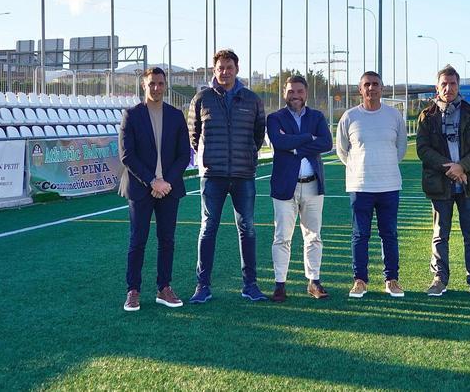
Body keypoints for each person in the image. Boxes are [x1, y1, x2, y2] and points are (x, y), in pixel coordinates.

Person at [188, 48, 269, 303]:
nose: (225, 72)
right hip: (213, 176)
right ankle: (203, 286)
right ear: (214, 70)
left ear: (237, 69)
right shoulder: (201, 99)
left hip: (244, 175)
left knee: (248, 229)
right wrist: (211, 159)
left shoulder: (252, 100)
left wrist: (246, 157)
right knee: (208, 228)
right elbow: (194, 135)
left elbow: (258, 135)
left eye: (229, 67)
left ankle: (250, 285)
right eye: (220, 68)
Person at [118, 67, 191, 312]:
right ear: (143, 86)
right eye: (152, 84)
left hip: (169, 188)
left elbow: (184, 154)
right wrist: (152, 181)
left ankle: (164, 288)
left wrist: (166, 181)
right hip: (141, 188)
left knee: (167, 240)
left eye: (160, 83)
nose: (156, 88)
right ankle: (133, 290)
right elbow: (127, 155)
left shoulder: (176, 115)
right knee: (138, 240)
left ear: (165, 85)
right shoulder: (131, 115)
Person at [416, 65, 470, 298]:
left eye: (453, 84)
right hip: (441, 184)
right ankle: (439, 278)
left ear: (458, 86)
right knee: (440, 234)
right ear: (437, 87)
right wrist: (451, 168)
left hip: (469, 183)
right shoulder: (427, 116)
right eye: (444, 84)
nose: (449, 88)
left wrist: (463, 166)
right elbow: (423, 150)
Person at [336, 71, 408, 299]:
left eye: (375, 84)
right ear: (360, 89)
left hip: (389, 185)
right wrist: (361, 167)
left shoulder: (394, 116)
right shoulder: (349, 117)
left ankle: (392, 280)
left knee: (389, 234)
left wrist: (383, 165)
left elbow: (401, 148)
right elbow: (342, 151)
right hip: (360, 186)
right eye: (367, 84)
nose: (371, 88)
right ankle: (360, 281)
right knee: (360, 235)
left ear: (382, 88)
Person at [266, 74, 333, 302]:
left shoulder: (316, 116)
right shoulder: (274, 118)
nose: (295, 95)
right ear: (284, 94)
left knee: (313, 236)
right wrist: (307, 138)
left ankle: (314, 282)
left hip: (313, 185)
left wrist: (295, 146)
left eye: (299, 91)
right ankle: (280, 285)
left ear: (306, 93)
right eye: (291, 91)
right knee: (282, 237)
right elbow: (278, 142)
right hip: (285, 186)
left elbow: (326, 143)